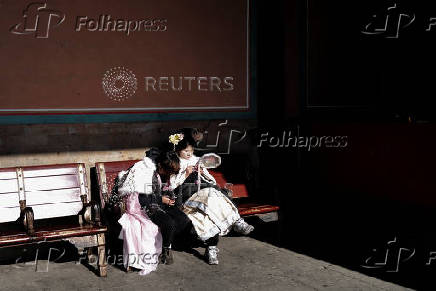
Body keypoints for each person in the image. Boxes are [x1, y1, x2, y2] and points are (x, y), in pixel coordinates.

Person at [169, 134, 254, 265]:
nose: (189, 154)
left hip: (206, 199)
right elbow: (172, 187)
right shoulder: (175, 163)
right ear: (177, 150)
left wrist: (202, 172)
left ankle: (211, 248)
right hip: (188, 199)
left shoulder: (196, 161)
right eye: (186, 151)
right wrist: (186, 174)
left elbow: (212, 181)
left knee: (207, 213)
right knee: (211, 194)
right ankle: (236, 220)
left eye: (191, 151)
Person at [118, 150, 192, 265]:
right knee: (169, 223)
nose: (169, 175)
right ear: (161, 166)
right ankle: (166, 248)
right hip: (143, 206)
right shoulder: (145, 171)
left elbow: (162, 188)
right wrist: (160, 199)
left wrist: (167, 197)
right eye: (168, 172)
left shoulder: (159, 171)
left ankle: (168, 241)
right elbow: (140, 199)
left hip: (158, 202)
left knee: (183, 219)